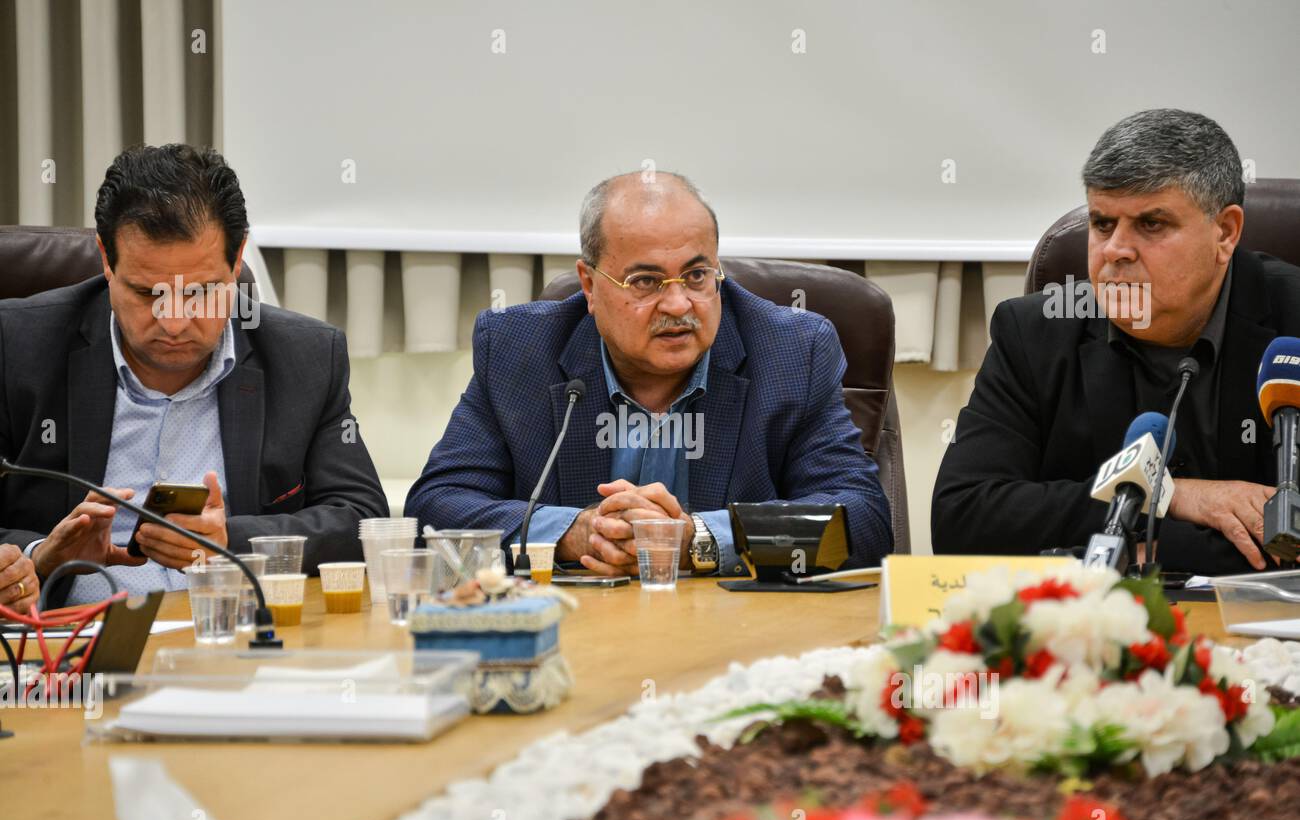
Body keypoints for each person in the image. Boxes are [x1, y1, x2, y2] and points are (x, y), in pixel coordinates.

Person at [406, 171, 892, 576]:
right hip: (578, 639)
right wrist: (575, 533)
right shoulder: (518, 349)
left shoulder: (792, 351)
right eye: (645, 281)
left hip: (734, 642)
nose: (679, 304)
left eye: (698, 276)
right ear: (589, 285)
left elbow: (859, 524)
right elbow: (434, 510)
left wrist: (697, 541)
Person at [0, 144, 388, 605]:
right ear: (106, 259)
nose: (174, 321)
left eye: (201, 292)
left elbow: (363, 521)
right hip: (75, 645)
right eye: (147, 293)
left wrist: (229, 541)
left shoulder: (305, 358)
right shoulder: (18, 344)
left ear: (237, 256)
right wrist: (37, 556)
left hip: (235, 644)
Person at [932, 109, 1300, 575]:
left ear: (1224, 233)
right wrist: (1172, 496)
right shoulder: (1034, 333)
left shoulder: (1293, 320)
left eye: (1151, 225)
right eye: (1103, 224)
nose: (1114, 250)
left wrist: (1126, 549)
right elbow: (962, 519)